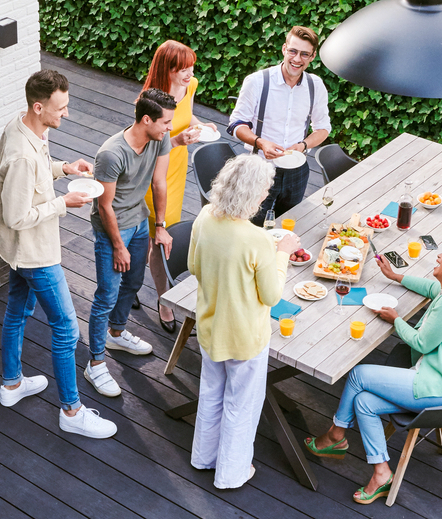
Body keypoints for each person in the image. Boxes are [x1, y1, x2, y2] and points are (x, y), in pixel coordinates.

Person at [304, 236, 442, 504]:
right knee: (364, 402)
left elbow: (422, 342)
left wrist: (396, 319)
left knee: (358, 374)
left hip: (440, 389)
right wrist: (396, 276)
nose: (438, 256)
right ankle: (381, 473)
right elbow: (433, 289)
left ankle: (336, 435)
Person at [0, 69, 116, 439]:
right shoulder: (21, 156)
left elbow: (35, 176)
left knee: (17, 311)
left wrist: (63, 169)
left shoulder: (24, 126)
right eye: (61, 108)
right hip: (34, 253)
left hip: (20, 250)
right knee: (66, 328)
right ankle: (71, 410)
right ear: (38, 106)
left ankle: (12, 385)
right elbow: (17, 216)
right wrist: (64, 203)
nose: (66, 113)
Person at [188, 154, 300, 489]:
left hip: (209, 328)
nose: (267, 194)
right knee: (241, 406)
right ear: (252, 194)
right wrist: (284, 253)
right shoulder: (258, 240)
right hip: (245, 338)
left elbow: (194, 266)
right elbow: (271, 296)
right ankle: (232, 474)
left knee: (211, 394)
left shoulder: (205, 216)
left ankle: (203, 458)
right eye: (265, 188)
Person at [85, 88, 176, 397]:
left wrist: (159, 226)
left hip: (139, 221)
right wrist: (118, 246)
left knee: (134, 280)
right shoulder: (111, 154)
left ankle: (117, 332)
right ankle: (95, 363)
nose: (170, 129)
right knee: (106, 294)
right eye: (166, 122)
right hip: (113, 229)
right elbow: (104, 206)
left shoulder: (159, 138)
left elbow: (159, 181)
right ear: (146, 119)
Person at [139, 40, 215, 333]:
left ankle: (130, 283)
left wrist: (202, 126)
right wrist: (176, 140)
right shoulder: (149, 103)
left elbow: (188, 116)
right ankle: (163, 300)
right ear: (165, 69)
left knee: (151, 238)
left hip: (179, 166)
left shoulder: (190, 85)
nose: (188, 73)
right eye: (181, 69)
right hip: (154, 173)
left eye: (191, 66)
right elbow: (144, 147)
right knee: (161, 238)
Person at [228, 25, 331, 226]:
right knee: (252, 225)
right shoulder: (257, 82)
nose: (297, 59)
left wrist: (302, 146)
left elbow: (323, 128)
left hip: (297, 170)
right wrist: (260, 142)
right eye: (293, 51)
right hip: (259, 168)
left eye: (304, 54)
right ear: (284, 49)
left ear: (312, 56)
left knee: (288, 224)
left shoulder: (315, 85)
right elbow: (236, 124)